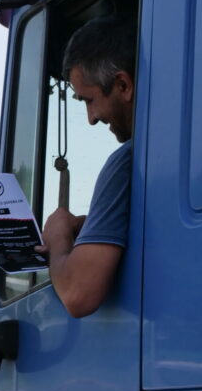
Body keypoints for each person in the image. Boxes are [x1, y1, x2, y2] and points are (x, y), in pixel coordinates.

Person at [37, 17, 135, 317]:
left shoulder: (127, 163)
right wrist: (98, 226)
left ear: (123, 85)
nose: (91, 118)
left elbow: (78, 294)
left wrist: (57, 239)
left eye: (88, 100)